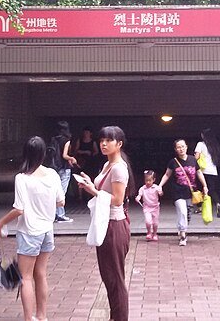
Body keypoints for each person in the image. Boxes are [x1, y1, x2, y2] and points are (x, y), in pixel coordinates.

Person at [0, 136, 65, 321]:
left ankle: (29, 319)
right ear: (44, 153)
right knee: (41, 274)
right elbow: (61, 202)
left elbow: (19, 209)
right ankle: (42, 317)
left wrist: (1, 222)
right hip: (47, 231)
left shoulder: (22, 178)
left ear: (25, 153)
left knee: (25, 277)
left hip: (29, 232)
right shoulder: (52, 174)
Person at [76, 126, 133, 321]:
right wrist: (90, 183)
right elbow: (105, 190)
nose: (103, 144)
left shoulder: (118, 167)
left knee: (115, 278)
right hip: (106, 223)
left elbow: (117, 199)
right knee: (109, 277)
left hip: (114, 225)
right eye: (101, 140)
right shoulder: (107, 165)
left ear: (119, 144)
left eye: (109, 140)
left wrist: (91, 189)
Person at [159, 139, 208, 246]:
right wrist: (160, 186)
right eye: (178, 147)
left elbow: (199, 173)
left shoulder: (192, 160)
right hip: (178, 192)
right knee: (182, 212)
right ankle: (183, 235)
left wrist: (205, 186)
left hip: (191, 192)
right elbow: (167, 174)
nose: (181, 149)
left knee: (188, 214)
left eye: (183, 146)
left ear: (186, 147)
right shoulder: (173, 162)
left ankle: (181, 228)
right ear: (175, 149)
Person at [194, 128, 220, 218]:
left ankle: (200, 208)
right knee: (212, 189)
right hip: (213, 171)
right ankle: (218, 204)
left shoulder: (200, 144)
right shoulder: (215, 146)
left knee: (200, 188)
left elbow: (197, 156)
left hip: (203, 171)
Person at [50, 121, 73, 223]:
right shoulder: (66, 140)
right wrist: (72, 158)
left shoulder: (53, 139)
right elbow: (65, 155)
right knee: (62, 192)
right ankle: (60, 215)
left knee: (55, 191)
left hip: (55, 168)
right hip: (64, 167)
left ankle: (54, 214)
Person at [136, 170, 162, 241]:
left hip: (155, 207)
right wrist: (138, 198)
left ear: (153, 180)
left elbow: (161, 193)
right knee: (148, 221)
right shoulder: (142, 188)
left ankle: (155, 233)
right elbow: (139, 195)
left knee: (155, 222)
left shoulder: (156, 188)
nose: (148, 182)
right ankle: (149, 232)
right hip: (146, 207)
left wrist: (160, 192)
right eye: (146, 180)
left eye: (149, 180)